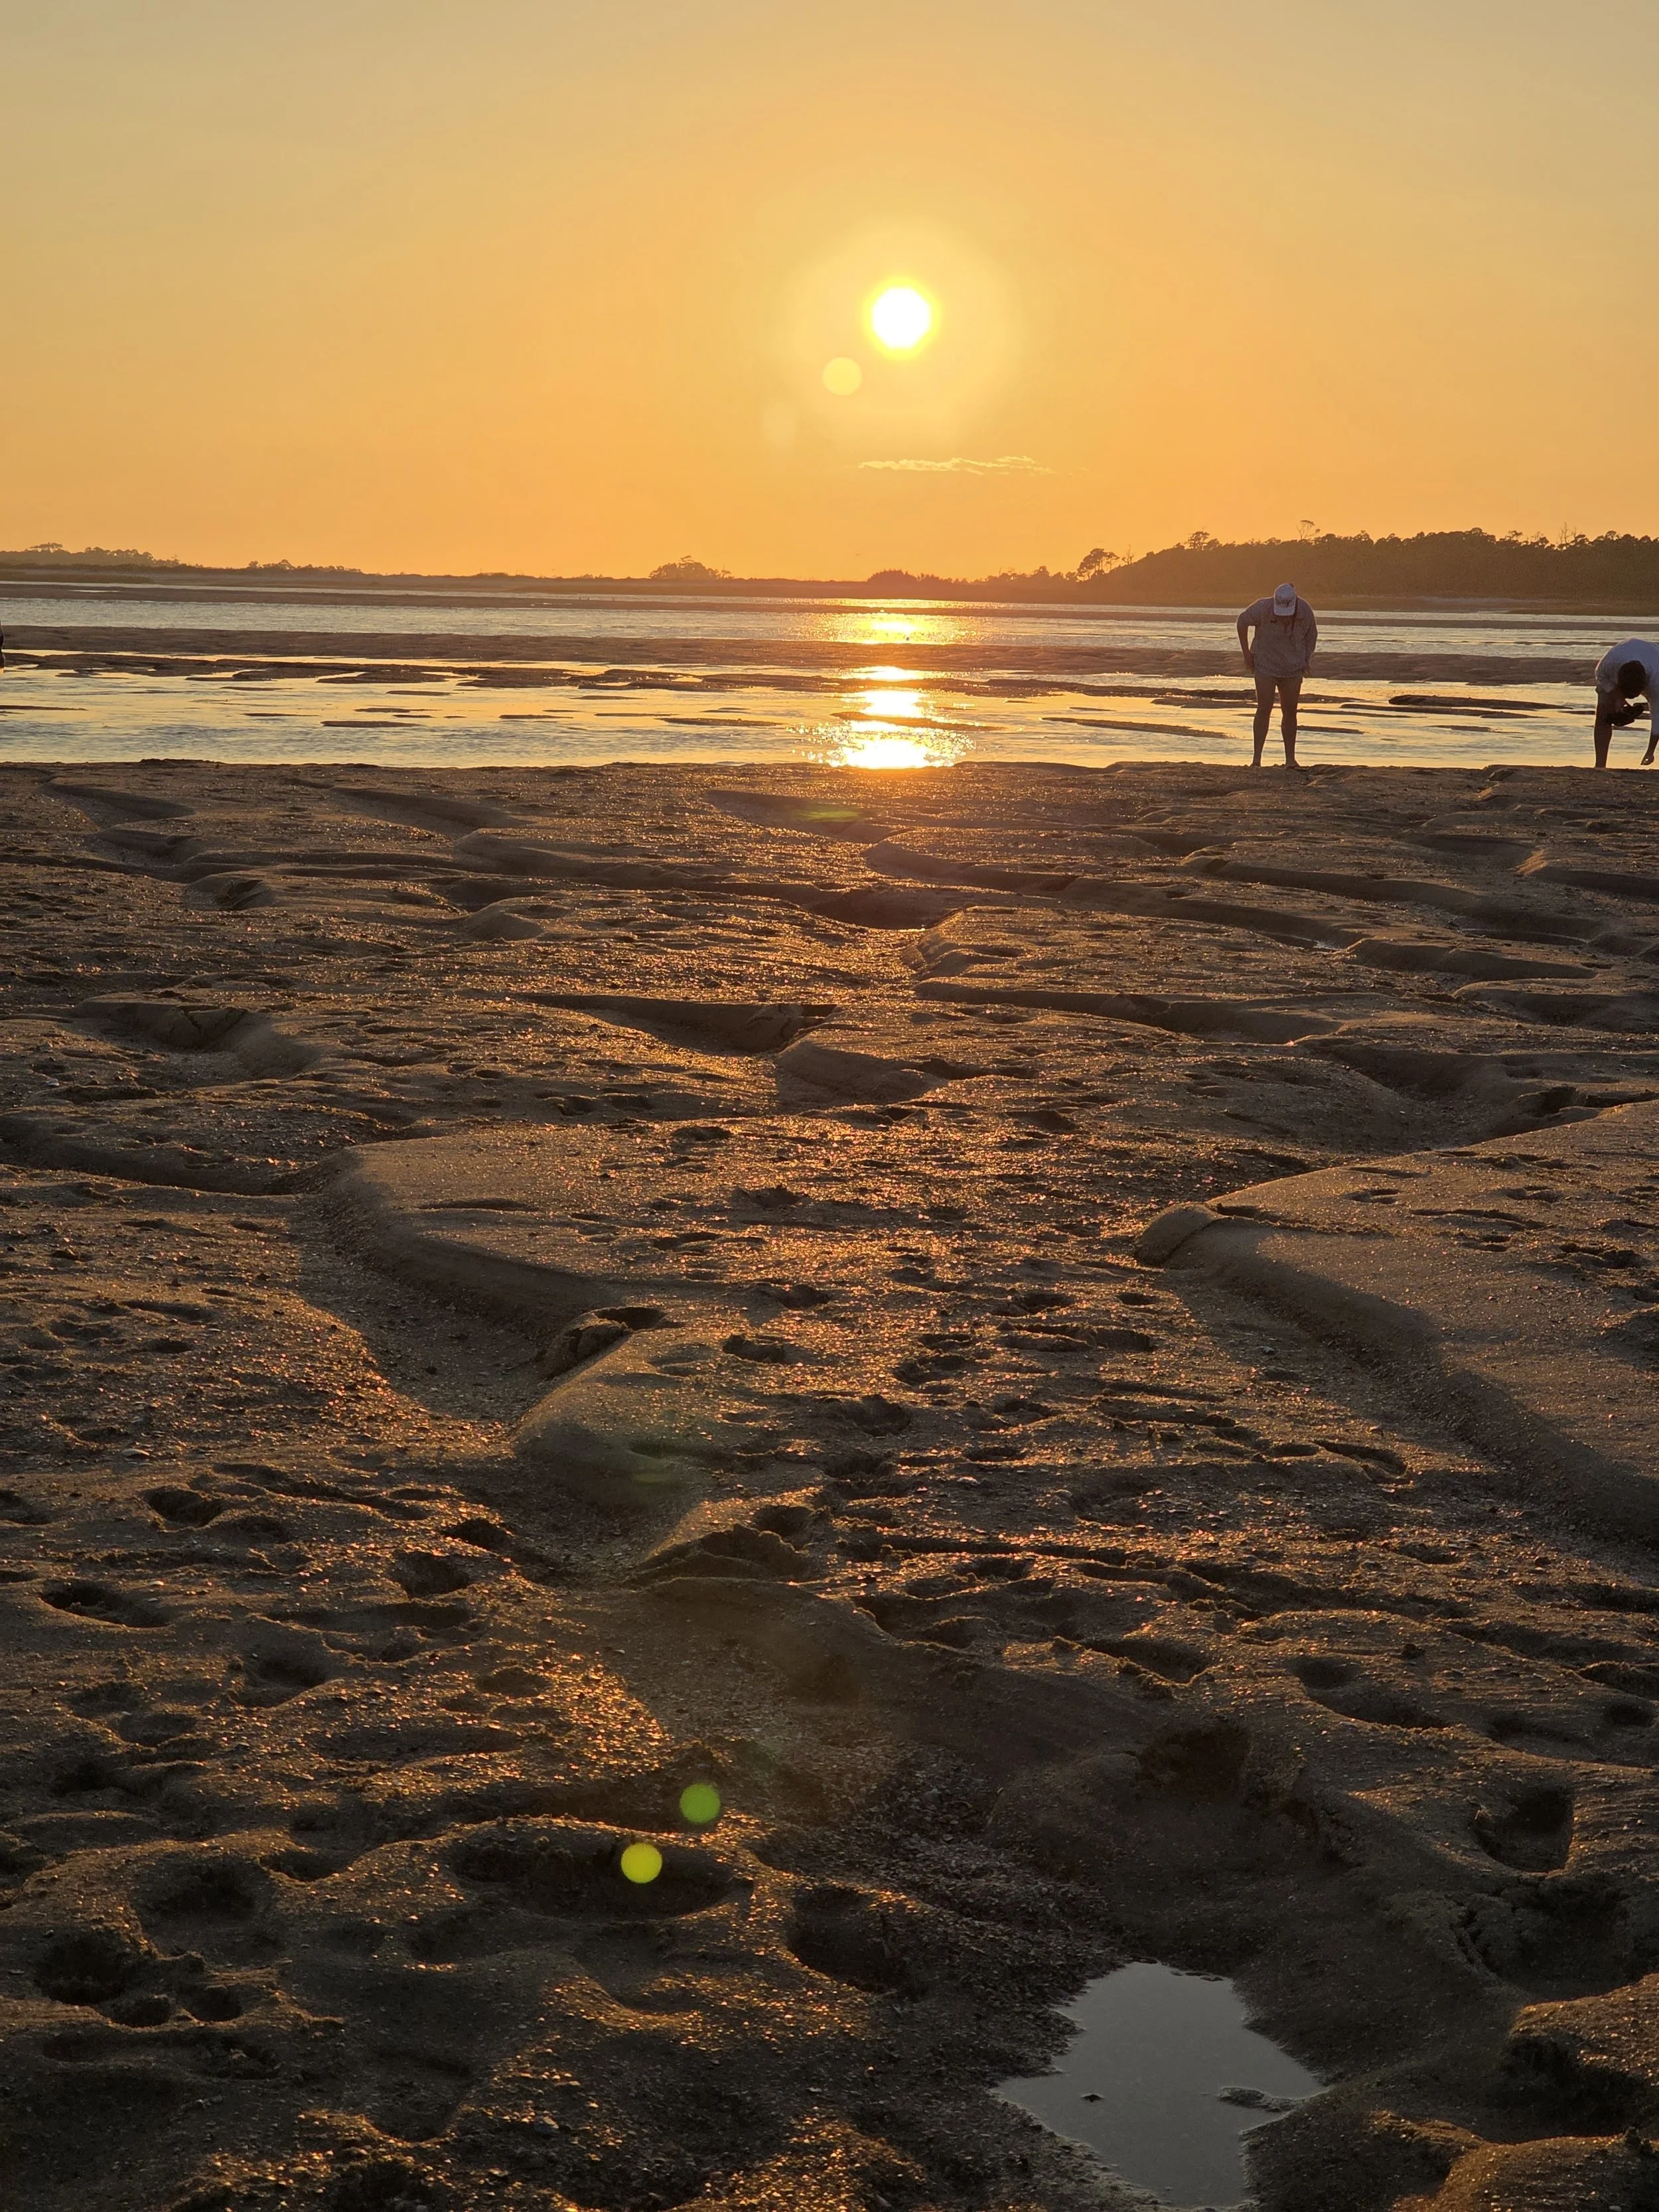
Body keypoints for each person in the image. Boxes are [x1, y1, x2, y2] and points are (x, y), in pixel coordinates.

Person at [1237, 581, 1317, 767]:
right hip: (1265, 665)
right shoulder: (1263, 607)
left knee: (1290, 712)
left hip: (1293, 668)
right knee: (1264, 709)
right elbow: (1242, 621)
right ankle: (1257, 760)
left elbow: (1312, 635)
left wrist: (1306, 660)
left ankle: (1290, 760)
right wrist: (1246, 653)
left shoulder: (1305, 610)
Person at [1592, 638, 1659, 769]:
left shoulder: (1656, 683)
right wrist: (1617, 699)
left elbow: (1658, 719)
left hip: (1654, 659)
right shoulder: (1609, 665)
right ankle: (1600, 766)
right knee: (1603, 714)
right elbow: (1600, 676)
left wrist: (1650, 752)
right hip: (1623, 658)